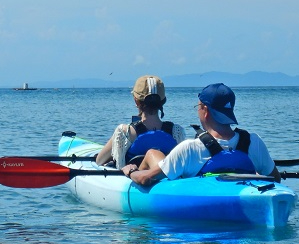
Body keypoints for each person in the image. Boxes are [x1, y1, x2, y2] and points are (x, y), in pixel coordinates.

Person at [123, 83, 279, 187]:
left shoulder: (189, 149)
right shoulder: (254, 142)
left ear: (205, 110)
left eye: (198, 107)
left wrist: (131, 171)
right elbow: (275, 179)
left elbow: (146, 178)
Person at [95, 75, 186, 169]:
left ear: (136, 101)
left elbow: (99, 161)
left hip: (135, 178)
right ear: (163, 101)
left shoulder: (125, 132)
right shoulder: (176, 132)